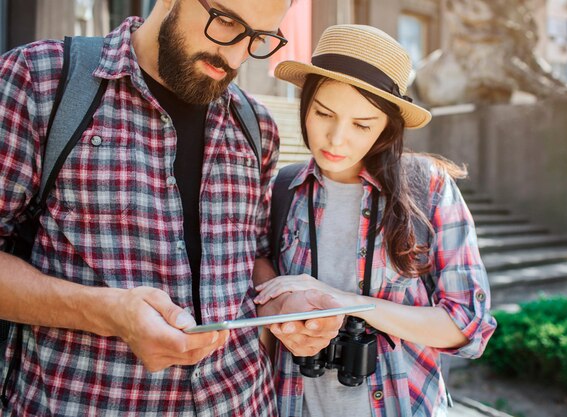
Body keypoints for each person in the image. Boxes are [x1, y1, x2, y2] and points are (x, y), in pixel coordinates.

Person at [0, 0, 342, 415]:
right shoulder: (40, 82)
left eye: (257, 38)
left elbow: (249, 257)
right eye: (227, 22)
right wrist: (109, 314)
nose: (234, 55)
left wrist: (280, 306)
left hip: (243, 401)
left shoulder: (257, 125)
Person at [253, 24, 498, 417]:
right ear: (305, 103)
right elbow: (258, 267)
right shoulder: (283, 187)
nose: (335, 138)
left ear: (387, 127)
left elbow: (468, 326)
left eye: (362, 125)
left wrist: (349, 304)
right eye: (322, 113)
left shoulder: (428, 188)